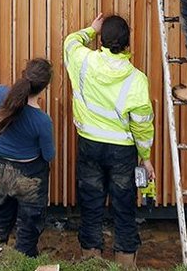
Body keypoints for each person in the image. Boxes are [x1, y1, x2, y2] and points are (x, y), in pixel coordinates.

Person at [64, 14, 154, 269]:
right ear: (128, 45)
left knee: (91, 205)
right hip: (123, 152)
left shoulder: (83, 61)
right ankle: (125, 264)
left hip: (89, 144)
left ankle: (90, 263)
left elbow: (70, 42)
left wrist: (90, 30)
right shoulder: (136, 78)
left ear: (101, 40)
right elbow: (142, 124)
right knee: (124, 208)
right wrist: (145, 157)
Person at [0, 58, 55, 258]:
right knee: (28, 228)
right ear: (45, 87)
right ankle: (23, 262)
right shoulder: (42, 120)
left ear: (23, 74)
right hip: (29, 178)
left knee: (0, 218)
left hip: (0, 171)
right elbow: (49, 155)